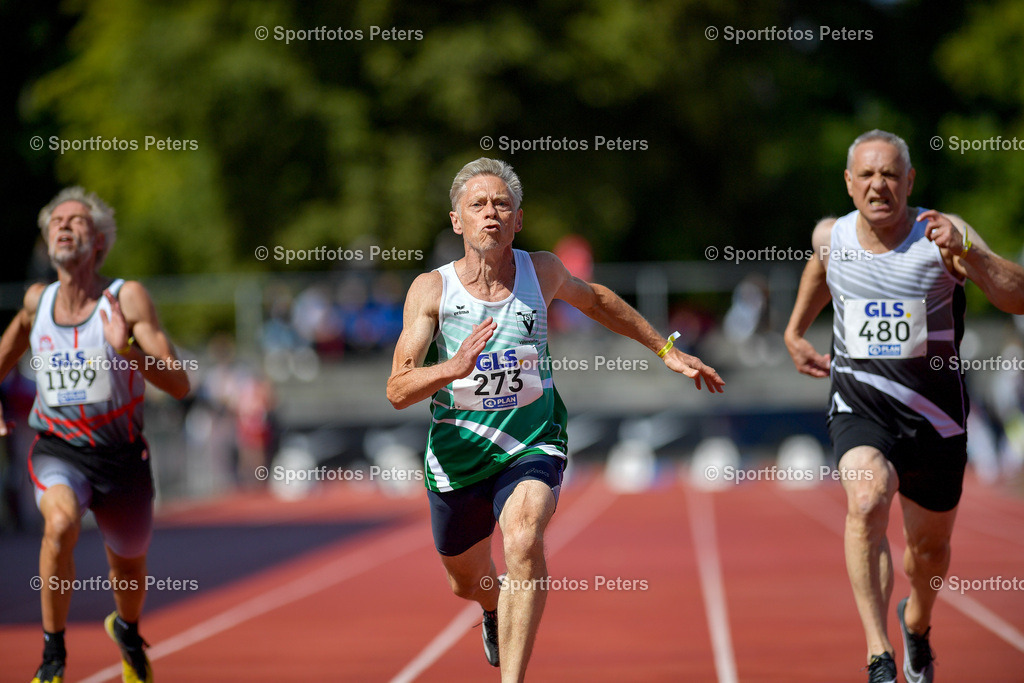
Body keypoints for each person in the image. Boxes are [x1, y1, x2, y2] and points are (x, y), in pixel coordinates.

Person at [387, 158, 724, 681]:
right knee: (466, 581)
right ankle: (493, 609)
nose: (491, 214)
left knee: (523, 537)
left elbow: (599, 302)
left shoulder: (540, 271)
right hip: (457, 458)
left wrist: (666, 349)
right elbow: (397, 390)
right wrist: (452, 368)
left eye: (502, 204)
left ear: (518, 219)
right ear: (457, 221)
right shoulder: (432, 291)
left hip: (532, 443)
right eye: (477, 205)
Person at [784, 130, 1024, 682]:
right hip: (861, 405)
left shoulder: (944, 232)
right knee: (866, 500)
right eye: (866, 175)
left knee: (929, 554)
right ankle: (878, 654)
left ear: (909, 181)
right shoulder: (832, 235)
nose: (878, 185)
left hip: (936, 418)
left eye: (890, 174)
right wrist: (796, 331)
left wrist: (970, 255)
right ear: (848, 183)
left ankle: (916, 623)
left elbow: (1015, 296)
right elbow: (820, 270)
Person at [0, 188, 191, 683]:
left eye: (77, 221)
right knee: (59, 525)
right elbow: (8, 348)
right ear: (46, 240)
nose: (64, 226)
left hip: (121, 456)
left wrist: (126, 347)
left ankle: (126, 632)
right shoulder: (35, 302)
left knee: (127, 569)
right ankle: (53, 656)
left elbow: (178, 381)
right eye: (56, 221)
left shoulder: (125, 298)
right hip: (57, 449)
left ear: (100, 242)